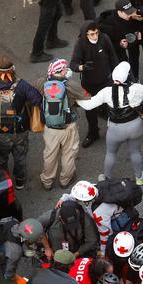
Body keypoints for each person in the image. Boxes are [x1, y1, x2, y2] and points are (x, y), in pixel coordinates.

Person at [77, 61, 143, 184]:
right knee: (135, 152)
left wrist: (76, 99)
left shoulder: (106, 91)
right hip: (135, 126)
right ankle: (139, 178)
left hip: (115, 129)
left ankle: (106, 178)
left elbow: (89, 105)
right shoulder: (136, 89)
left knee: (111, 154)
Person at [0, 55, 43, 190]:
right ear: (13, 69)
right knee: (20, 157)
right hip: (20, 131)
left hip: (0, 132)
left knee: (0, 159)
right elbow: (37, 100)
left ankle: (4, 182)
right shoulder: (22, 85)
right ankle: (20, 182)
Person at [35, 59, 89, 190]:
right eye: (65, 68)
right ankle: (65, 180)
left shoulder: (42, 83)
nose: (67, 70)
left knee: (50, 154)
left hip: (50, 128)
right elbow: (87, 96)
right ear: (62, 71)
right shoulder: (70, 85)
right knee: (69, 154)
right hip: (68, 127)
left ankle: (47, 181)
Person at [71, 21, 119, 149]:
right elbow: (73, 64)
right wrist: (82, 67)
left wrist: (117, 76)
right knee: (90, 110)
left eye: (96, 33)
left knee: (111, 106)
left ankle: (114, 132)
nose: (95, 36)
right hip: (89, 83)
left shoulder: (104, 38)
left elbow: (113, 57)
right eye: (92, 34)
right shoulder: (80, 44)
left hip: (106, 80)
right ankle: (93, 133)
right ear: (85, 34)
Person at [97, 0, 139, 65]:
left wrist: (135, 33)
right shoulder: (107, 26)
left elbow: (131, 30)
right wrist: (119, 44)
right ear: (120, 12)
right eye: (128, 13)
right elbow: (104, 45)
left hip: (121, 53)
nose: (130, 15)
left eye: (131, 12)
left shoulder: (127, 18)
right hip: (111, 57)